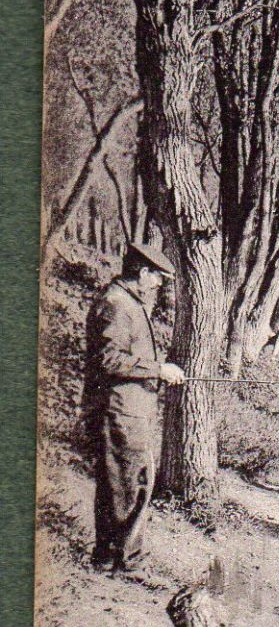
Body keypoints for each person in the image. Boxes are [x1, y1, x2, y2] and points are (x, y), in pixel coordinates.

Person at [84, 241, 185, 572]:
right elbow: (108, 359)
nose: (158, 284)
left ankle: (108, 557)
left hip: (129, 409)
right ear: (142, 273)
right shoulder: (116, 304)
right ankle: (126, 562)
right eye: (157, 277)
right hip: (118, 411)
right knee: (130, 484)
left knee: (122, 485)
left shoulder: (129, 301)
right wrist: (158, 369)